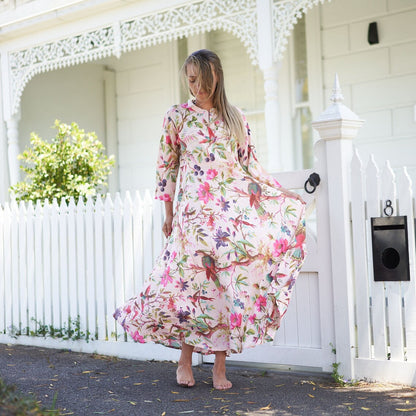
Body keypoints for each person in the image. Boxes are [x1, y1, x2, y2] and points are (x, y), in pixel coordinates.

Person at [114, 49, 306, 390]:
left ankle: (220, 368)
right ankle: (185, 361)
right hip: (192, 216)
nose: (196, 88)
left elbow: (251, 167)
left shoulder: (235, 117)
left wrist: (281, 194)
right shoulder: (177, 117)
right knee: (192, 286)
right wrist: (169, 213)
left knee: (225, 288)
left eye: (201, 80)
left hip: (229, 216)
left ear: (216, 76)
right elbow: (166, 167)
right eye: (190, 80)